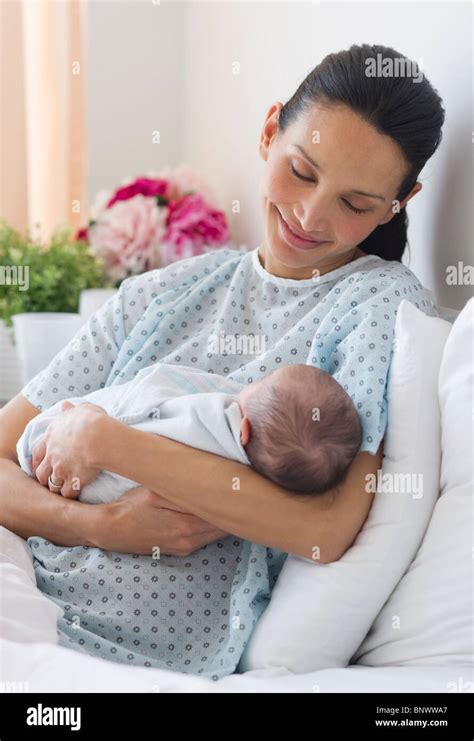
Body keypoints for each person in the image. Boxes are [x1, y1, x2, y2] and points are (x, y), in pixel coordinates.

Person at [0, 42, 444, 643]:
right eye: (302, 172)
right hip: (29, 584)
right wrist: (100, 525)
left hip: (137, 642)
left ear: (398, 205)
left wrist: (108, 442)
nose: (310, 216)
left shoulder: (377, 307)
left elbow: (327, 526)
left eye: (355, 203)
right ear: (269, 131)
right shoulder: (159, 294)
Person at [15, 363, 361, 677]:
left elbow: (324, 533)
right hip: (47, 579)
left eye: (256, 384)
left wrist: (100, 439)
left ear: (242, 431)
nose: (241, 387)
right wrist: (101, 524)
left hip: (72, 592)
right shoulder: (269, 478)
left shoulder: (212, 414)